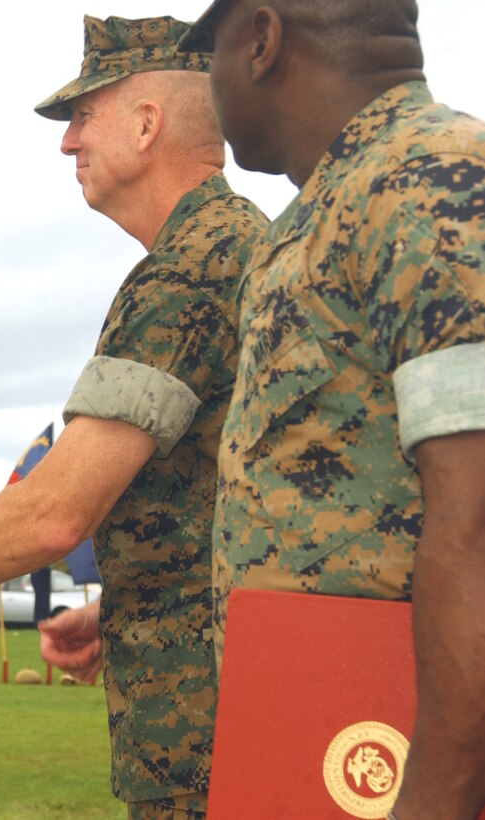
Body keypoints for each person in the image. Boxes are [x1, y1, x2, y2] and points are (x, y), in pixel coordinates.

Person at [0, 16, 267, 818]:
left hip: (210, 729)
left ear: (147, 124)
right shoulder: (242, 249)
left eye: (82, 116)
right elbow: (241, 507)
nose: (66, 144)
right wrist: (123, 603)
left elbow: (53, 511)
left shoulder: (185, 275)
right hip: (237, 695)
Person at [179, 2, 485, 816]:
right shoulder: (331, 204)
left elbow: (478, 512)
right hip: (311, 730)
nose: (203, 83)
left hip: (395, 760)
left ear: (260, 40)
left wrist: (438, 793)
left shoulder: (430, 178)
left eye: (205, 52)